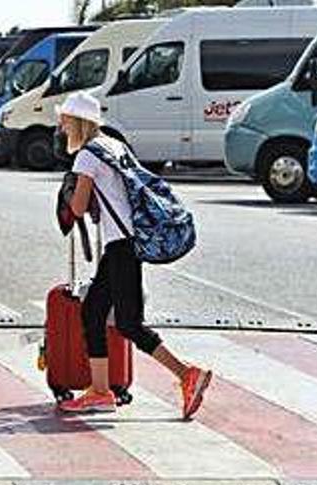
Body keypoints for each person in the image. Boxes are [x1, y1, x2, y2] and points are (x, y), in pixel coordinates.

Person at [57, 91, 212, 419]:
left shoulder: (86, 156)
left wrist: (69, 191)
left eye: (64, 120)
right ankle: (100, 392)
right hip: (124, 244)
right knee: (93, 312)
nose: (61, 127)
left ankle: (187, 374)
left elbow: (79, 207)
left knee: (129, 323)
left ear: (77, 122)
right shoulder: (114, 145)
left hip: (122, 247)